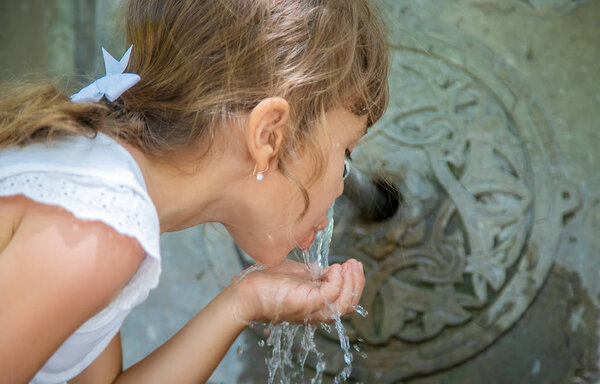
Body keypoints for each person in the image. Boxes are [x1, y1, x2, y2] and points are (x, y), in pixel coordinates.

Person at [0, 0, 389, 382]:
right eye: (346, 156)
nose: (342, 187)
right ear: (269, 135)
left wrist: (243, 301)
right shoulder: (102, 226)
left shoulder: (107, 196)